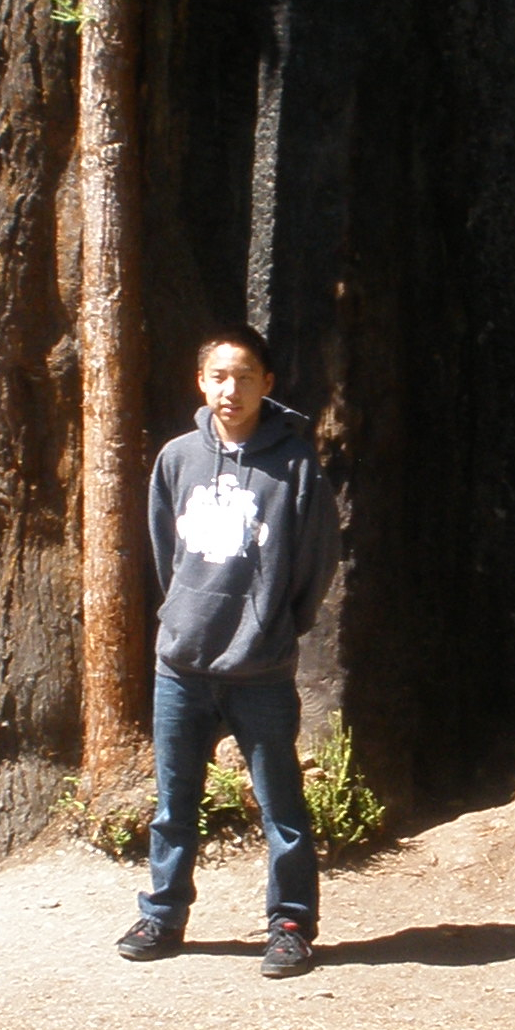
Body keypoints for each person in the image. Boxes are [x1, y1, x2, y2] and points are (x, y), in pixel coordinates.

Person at [117, 325, 343, 978]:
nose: (231, 389)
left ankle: (291, 924)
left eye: (245, 376)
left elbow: (316, 559)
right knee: (172, 804)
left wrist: (272, 626)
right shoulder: (177, 459)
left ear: (267, 384)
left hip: (261, 670)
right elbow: (167, 552)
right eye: (219, 375)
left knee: (283, 810)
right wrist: (189, 613)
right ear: (201, 382)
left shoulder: (294, 465)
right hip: (182, 665)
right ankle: (162, 915)